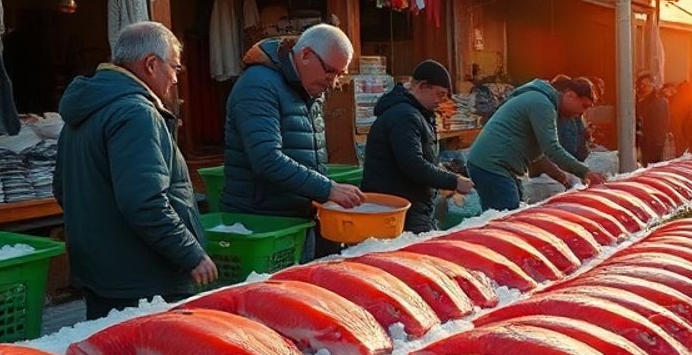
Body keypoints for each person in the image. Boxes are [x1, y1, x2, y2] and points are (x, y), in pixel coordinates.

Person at [54, 22, 216, 321]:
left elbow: (62, 190)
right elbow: (145, 202)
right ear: (151, 64)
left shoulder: (85, 112)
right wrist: (190, 254)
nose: (175, 79)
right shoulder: (136, 113)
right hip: (144, 281)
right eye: (175, 68)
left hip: (102, 276)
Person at [223, 24, 365, 258]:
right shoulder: (258, 84)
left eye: (340, 75)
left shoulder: (311, 88)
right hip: (264, 223)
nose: (333, 83)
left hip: (298, 219)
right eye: (330, 72)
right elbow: (267, 158)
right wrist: (327, 189)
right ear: (306, 55)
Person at [361, 60, 473, 233]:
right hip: (399, 212)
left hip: (412, 209)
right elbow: (413, 164)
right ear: (422, 86)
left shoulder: (418, 114)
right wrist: (454, 181)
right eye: (439, 94)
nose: (441, 101)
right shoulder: (404, 116)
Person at [467, 75, 607, 211]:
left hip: (498, 166)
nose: (581, 114)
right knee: (504, 219)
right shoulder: (542, 104)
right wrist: (586, 173)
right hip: (492, 165)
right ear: (570, 95)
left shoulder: (542, 102)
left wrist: (561, 177)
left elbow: (538, 156)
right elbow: (551, 149)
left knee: (511, 212)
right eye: (584, 106)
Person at [637, 73, 670, 164]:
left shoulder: (661, 102)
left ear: (652, 85)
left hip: (653, 140)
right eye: (641, 86)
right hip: (649, 141)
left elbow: (666, 120)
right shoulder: (641, 102)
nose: (642, 88)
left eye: (645, 85)